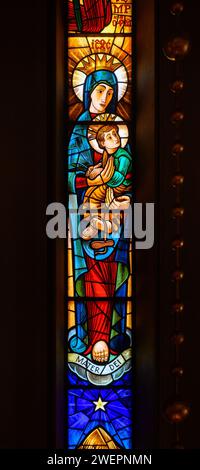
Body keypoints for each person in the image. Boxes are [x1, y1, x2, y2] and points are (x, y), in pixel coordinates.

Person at [68, 70, 131, 363]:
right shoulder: (79, 132)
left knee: (114, 274)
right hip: (87, 219)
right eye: (100, 92)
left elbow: (126, 176)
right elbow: (71, 178)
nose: (105, 99)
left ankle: (114, 335)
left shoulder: (119, 133)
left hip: (117, 220)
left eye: (110, 93)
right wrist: (90, 182)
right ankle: (94, 338)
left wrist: (126, 194)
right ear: (87, 92)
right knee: (92, 274)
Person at [81, 124, 131, 240]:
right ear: (102, 144)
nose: (115, 138)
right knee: (90, 195)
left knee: (105, 203)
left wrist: (102, 174)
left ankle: (105, 226)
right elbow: (102, 167)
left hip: (120, 188)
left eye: (115, 133)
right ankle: (96, 223)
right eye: (109, 137)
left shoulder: (123, 156)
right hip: (109, 186)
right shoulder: (107, 155)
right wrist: (93, 171)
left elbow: (119, 177)